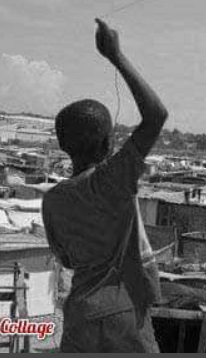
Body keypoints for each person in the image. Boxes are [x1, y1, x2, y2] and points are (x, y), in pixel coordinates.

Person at [42, 18, 168, 352]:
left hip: (80, 312)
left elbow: (67, 260)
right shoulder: (112, 179)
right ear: (106, 146)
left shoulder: (52, 201)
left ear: (63, 146)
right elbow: (155, 115)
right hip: (123, 310)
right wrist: (116, 55)